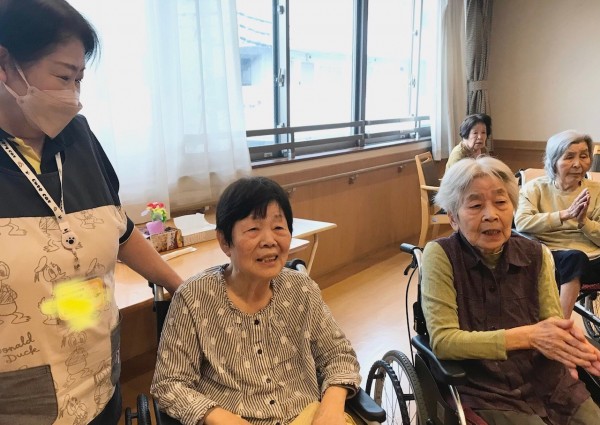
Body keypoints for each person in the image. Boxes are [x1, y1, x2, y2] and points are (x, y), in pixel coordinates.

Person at [0, 1, 183, 424]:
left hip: (98, 380)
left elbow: (119, 229)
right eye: (63, 77)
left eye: (80, 79)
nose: (74, 96)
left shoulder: (78, 138)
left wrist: (180, 286)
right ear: (5, 64)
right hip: (20, 404)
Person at [151, 176, 361, 425]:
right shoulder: (194, 298)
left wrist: (330, 409)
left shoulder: (301, 289)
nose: (270, 240)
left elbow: (338, 354)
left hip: (306, 416)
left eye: (279, 227)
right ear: (225, 241)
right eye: (253, 229)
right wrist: (221, 418)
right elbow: (169, 383)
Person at [421, 156, 600, 424]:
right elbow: (444, 340)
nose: (491, 214)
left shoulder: (536, 253)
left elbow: (552, 324)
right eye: (476, 205)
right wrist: (530, 336)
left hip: (548, 382)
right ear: (454, 218)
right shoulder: (441, 255)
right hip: (484, 388)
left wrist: (574, 346)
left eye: (501, 202)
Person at [515, 130, 600, 319]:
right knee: (574, 258)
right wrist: (564, 215)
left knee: (577, 258)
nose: (578, 164)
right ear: (553, 161)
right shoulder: (535, 188)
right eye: (569, 157)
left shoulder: (597, 191)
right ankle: (561, 326)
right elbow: (522, 223)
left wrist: (584, 222)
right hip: (550, 257)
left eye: (583, 156)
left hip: (593, 259)